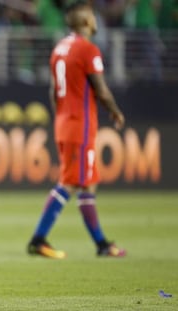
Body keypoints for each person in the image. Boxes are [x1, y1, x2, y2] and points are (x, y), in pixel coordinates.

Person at [27, 1, 126, 259]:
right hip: (79, 125)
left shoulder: (59, 48)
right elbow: (101, 90)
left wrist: (61, 117)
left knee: (87, 183)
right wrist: (114, 111)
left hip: (65, 121)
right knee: (71, 182)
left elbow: (52, 92)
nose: (95, 20)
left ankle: (102, 244)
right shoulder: (88, 50)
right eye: (92, 15)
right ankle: (38, 239)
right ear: (84, 21)